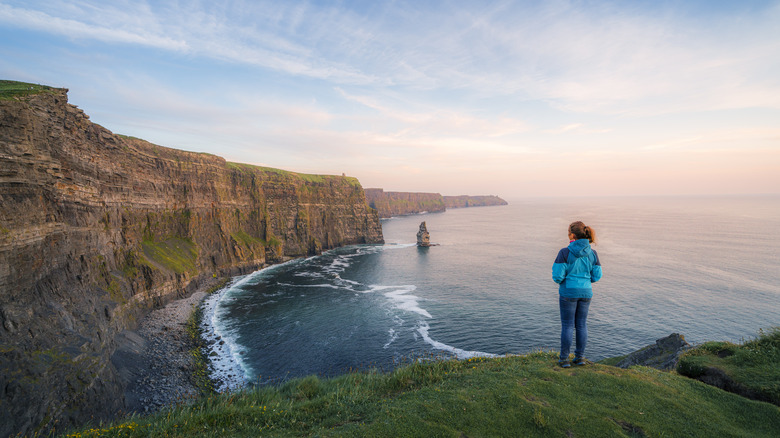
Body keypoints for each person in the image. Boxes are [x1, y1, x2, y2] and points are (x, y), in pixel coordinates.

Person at [552, 221, 602, 368]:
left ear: (572, 235)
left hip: (568, 291)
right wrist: (586, 281)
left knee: (567, 326)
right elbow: (597, 275)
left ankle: (564, 359)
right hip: (586, 292)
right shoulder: (593, 253)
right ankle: (579, 358)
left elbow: (557, 276)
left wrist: (566, 280)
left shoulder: (564, 253)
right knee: (581, 325)